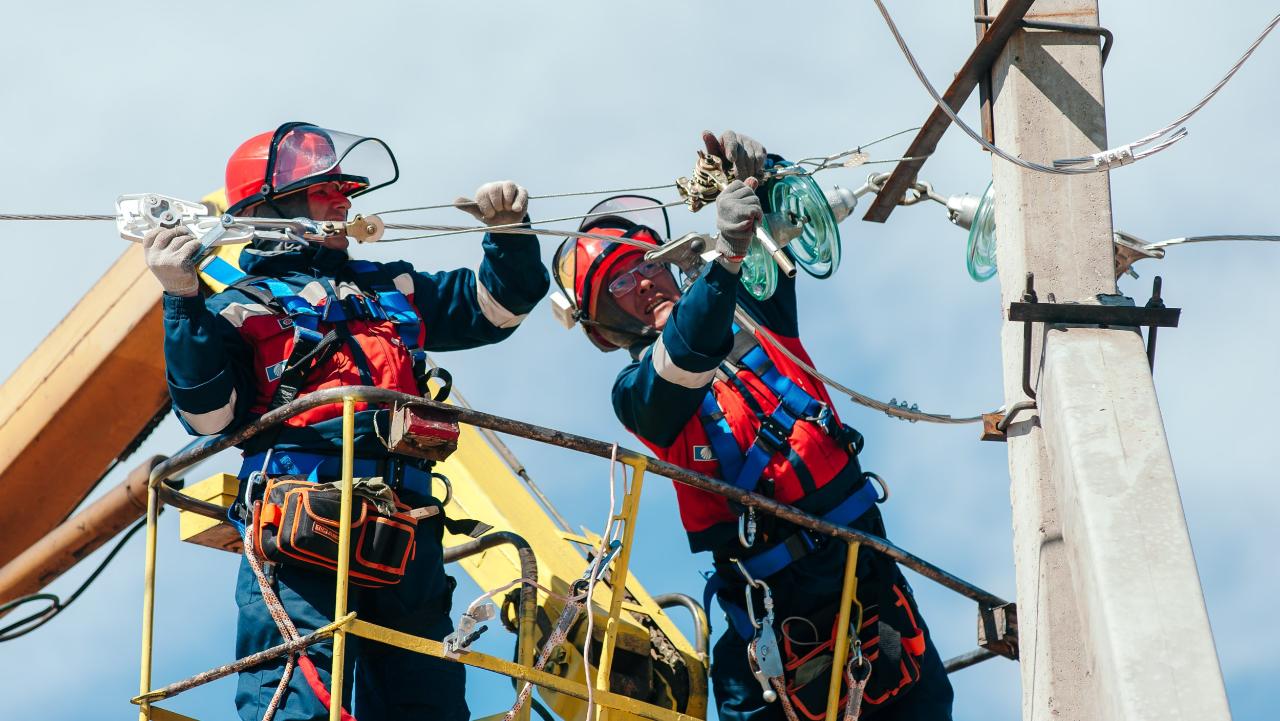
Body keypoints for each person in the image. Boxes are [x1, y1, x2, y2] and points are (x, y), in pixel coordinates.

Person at [142, 121, 548, 721]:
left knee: (427, 705)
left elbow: (496, 310)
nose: (345, 202)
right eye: (324, 190)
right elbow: (206, 418)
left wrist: (509, 235)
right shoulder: (231, 306)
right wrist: (180, 297)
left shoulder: (389, 287)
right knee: (299, 701)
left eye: (345, 190)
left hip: (408, 530)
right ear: (271, 207)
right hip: (301, 527)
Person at [552, 131, 954, 720]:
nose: (643, 281)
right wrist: (728, 258)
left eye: (646, 263)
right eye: (618, 283)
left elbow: (789, 221)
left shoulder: (758, 316)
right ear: (600, 329)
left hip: (866, 577)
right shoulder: (638, 394)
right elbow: (685, 356)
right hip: (772, 608)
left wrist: (760, 173)